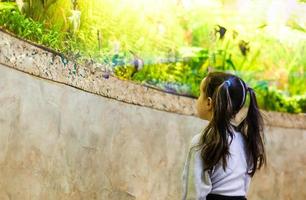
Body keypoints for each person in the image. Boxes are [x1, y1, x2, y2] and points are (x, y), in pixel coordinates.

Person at [182, 72, 266, 200]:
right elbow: (244, 185)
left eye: (200, 94)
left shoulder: (201, 142)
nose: (198, 98)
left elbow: (195, 193)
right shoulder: (245, 140)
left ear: (209, 103)